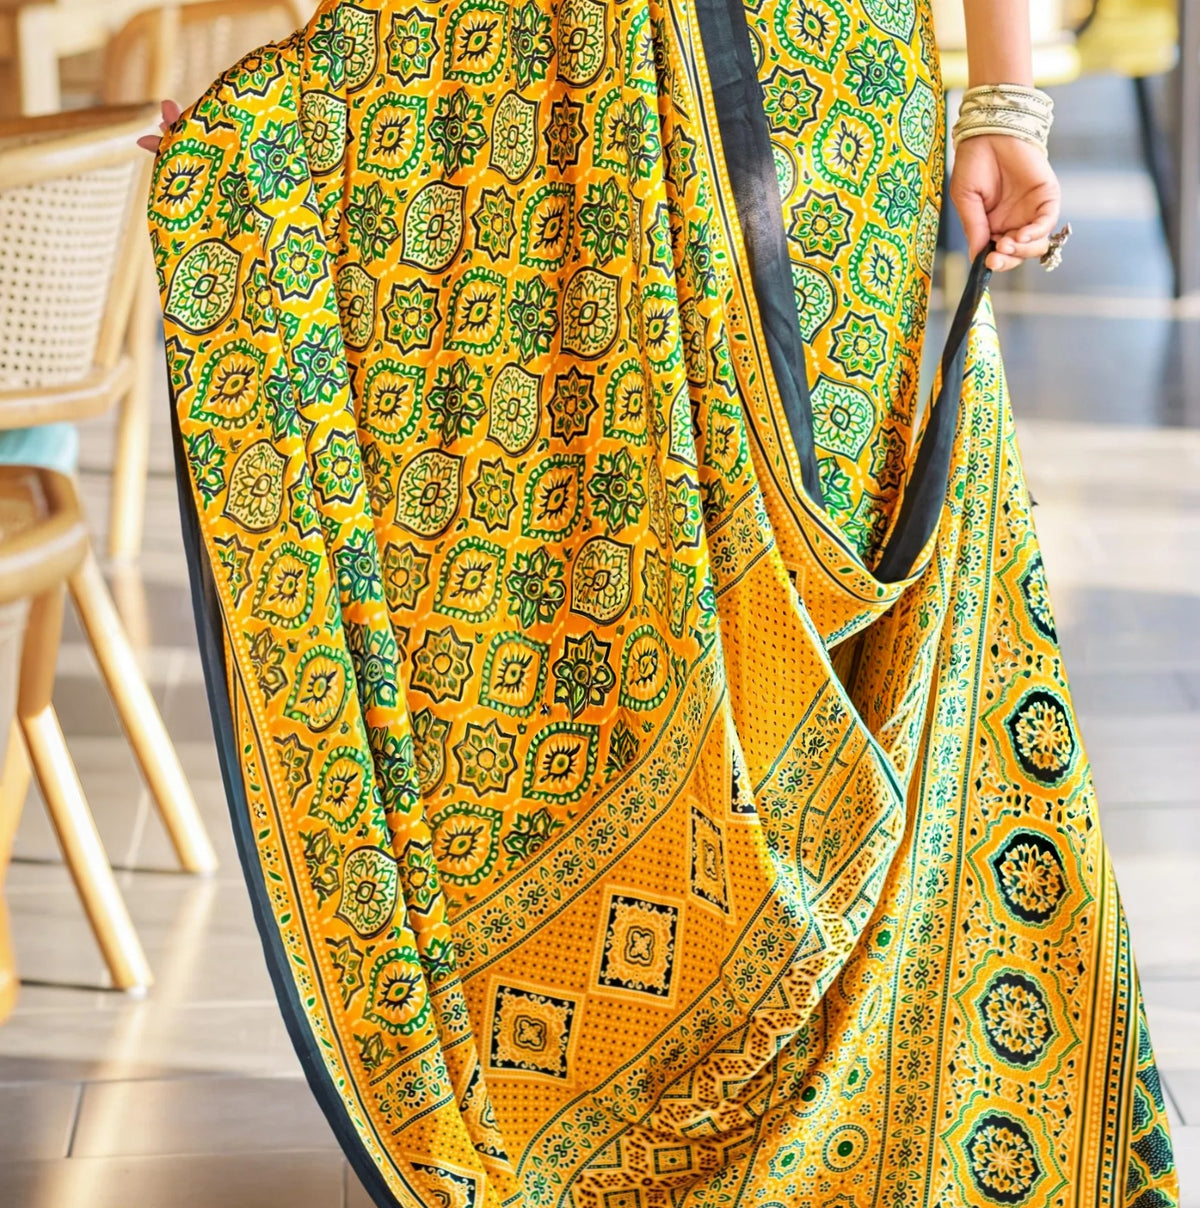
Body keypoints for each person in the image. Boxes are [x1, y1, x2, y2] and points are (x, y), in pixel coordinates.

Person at [144, 1, 1177, 1206]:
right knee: (581, 616)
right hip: (537, 92)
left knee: (842, 605)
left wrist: (1004, 101)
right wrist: (275, 128)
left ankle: (902, 1125)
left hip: (815, 105)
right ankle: (597, 1119)